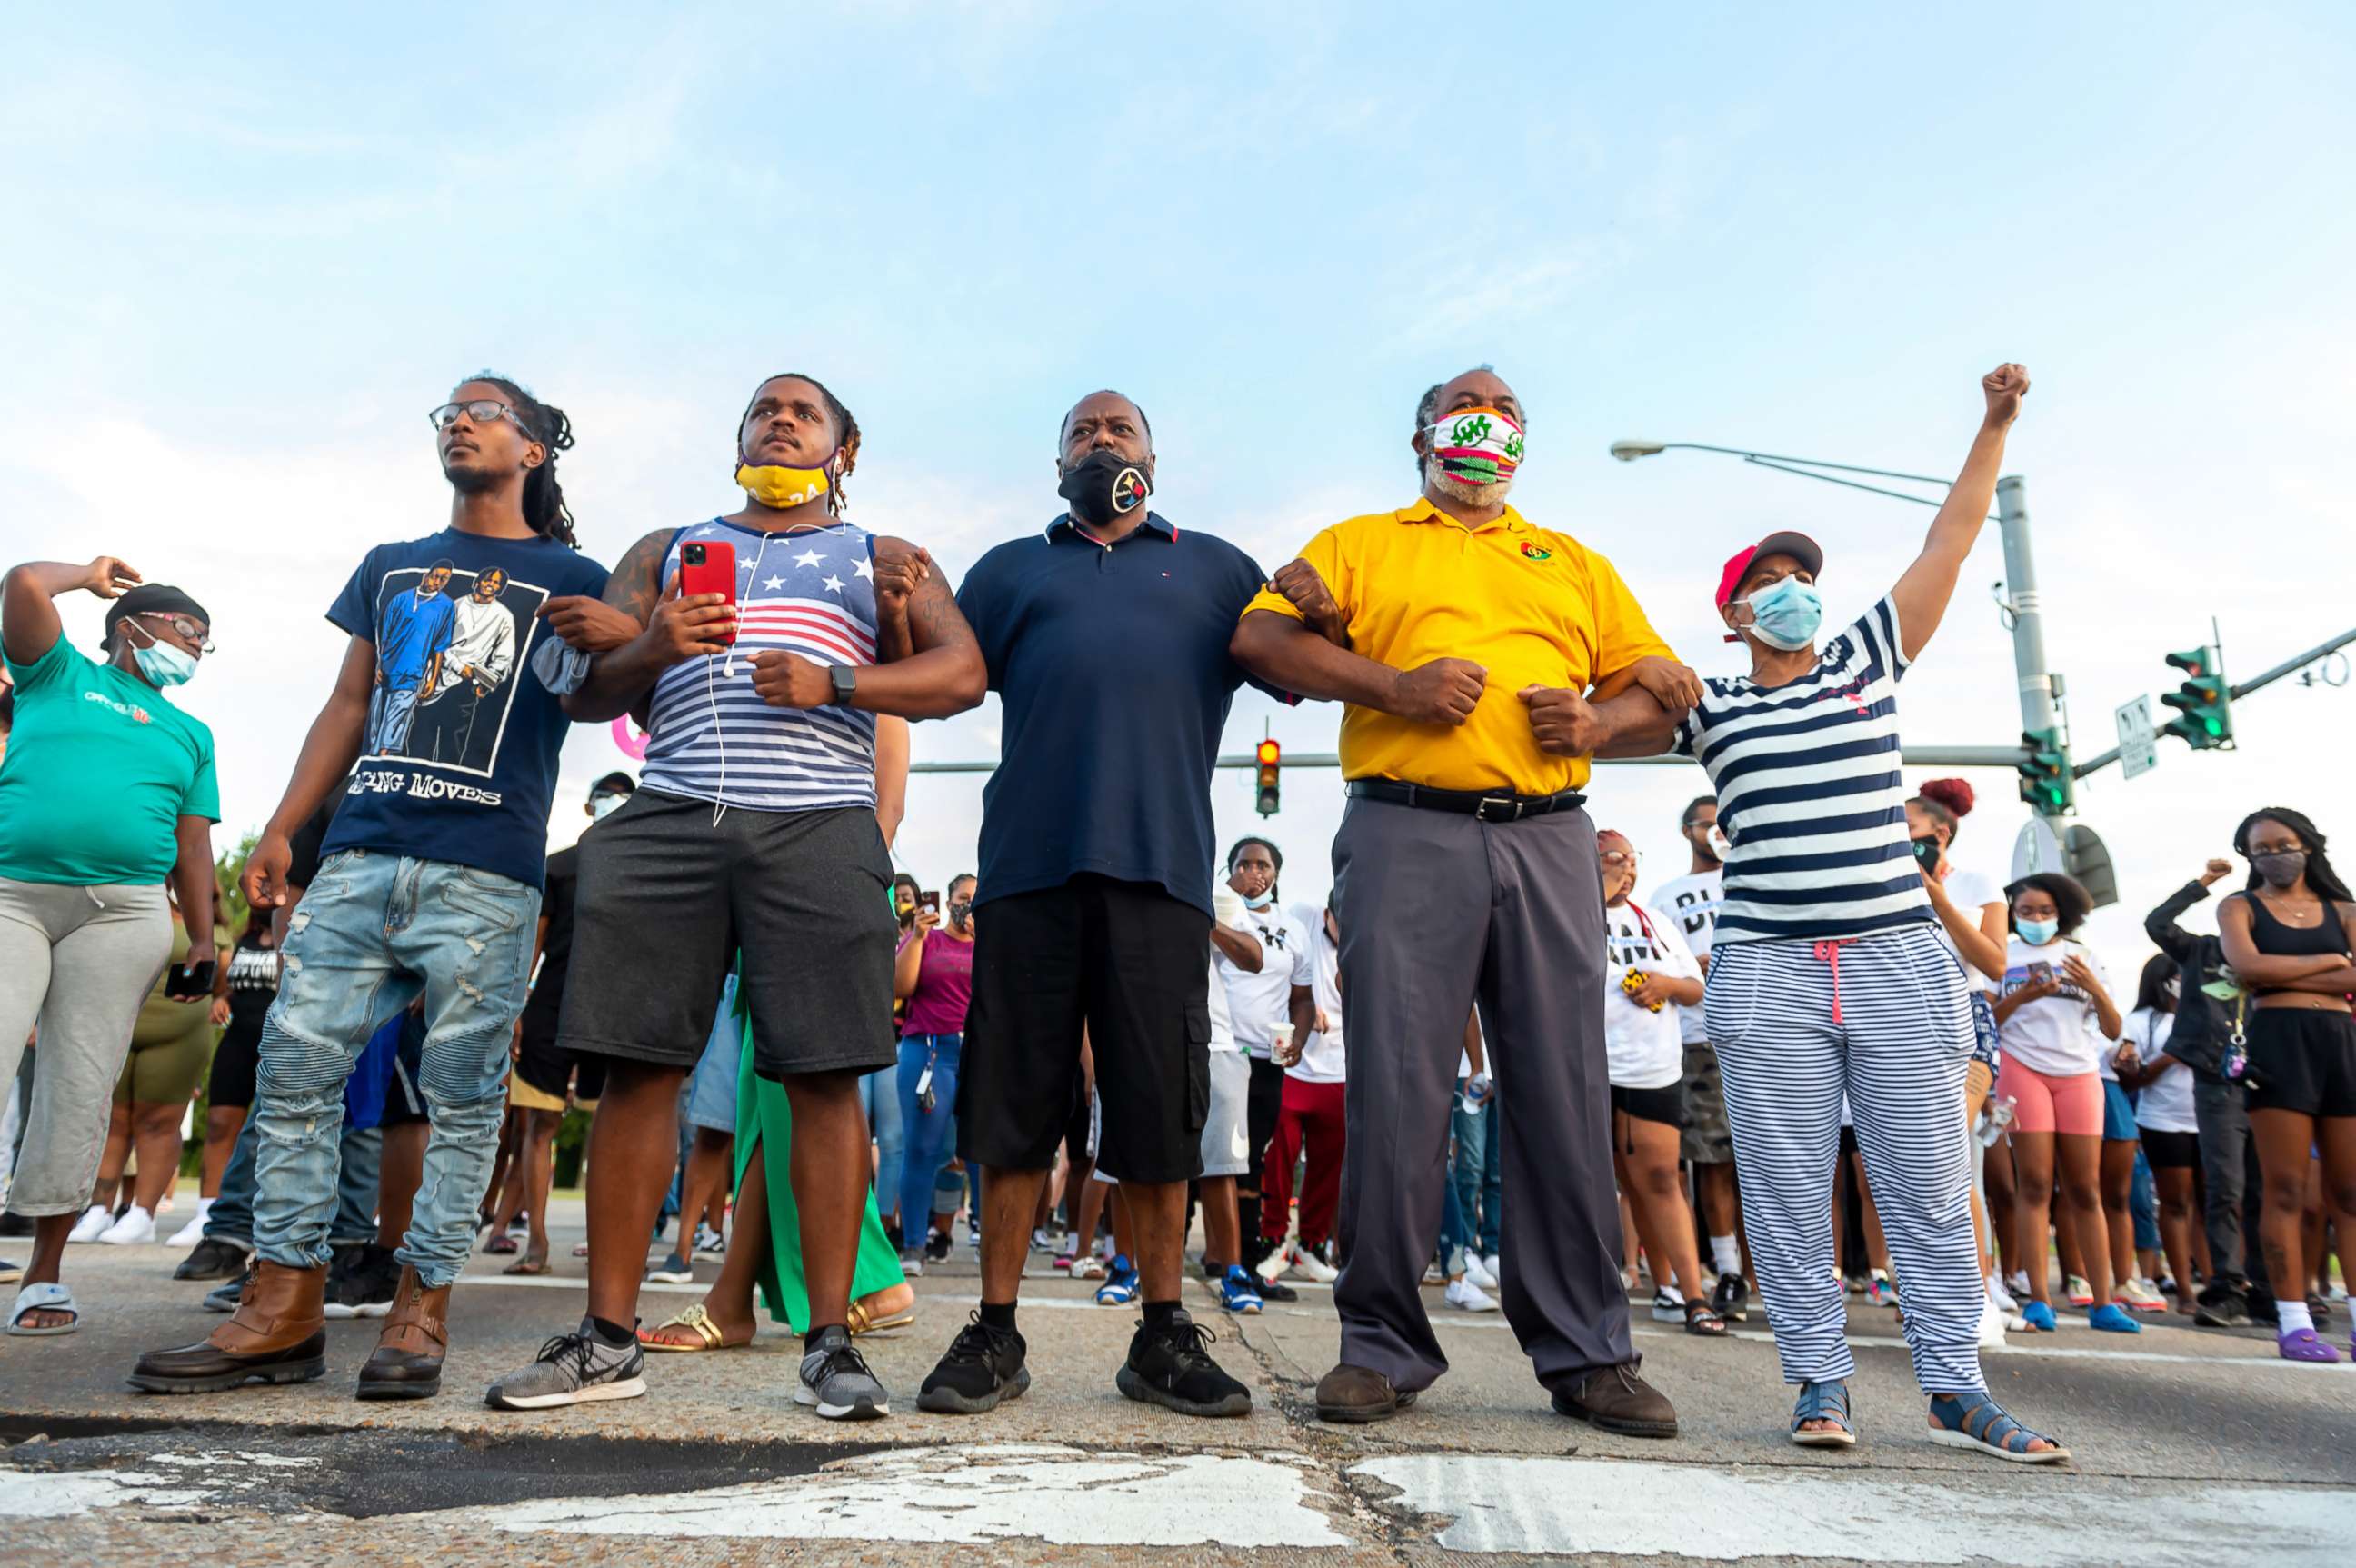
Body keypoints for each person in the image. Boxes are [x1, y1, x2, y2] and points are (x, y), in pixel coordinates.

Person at [484, 372, 983, 1419]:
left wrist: (834, 680)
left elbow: (961, 677)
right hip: (671, 813)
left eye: (806, 411)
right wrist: (656, 642)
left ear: (845, 449)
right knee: (638, 1067)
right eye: (765, 407)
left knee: (825, 1078)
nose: (782, 417)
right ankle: (609, 1339)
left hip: (818, 825)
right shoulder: (666, 548)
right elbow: (580, 694)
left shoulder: (879, 557)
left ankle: (832, 1343)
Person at [129, 374, 630, 1395]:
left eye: (484, 411)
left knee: (461, 1095)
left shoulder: (573, 573)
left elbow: (595, 705)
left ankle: (421, 1308)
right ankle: (282, 1305)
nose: (459, 421)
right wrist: (279, 831)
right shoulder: (392, 566)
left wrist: (636, 640)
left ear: (534, 449)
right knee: (293, 1075)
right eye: (449, 410)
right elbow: (349, 703)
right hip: (357, 856)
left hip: (487, 873)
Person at [1610, 365, 2067, 1459]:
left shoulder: (1865, 661)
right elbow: (1586, 726)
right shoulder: (1708, 705)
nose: (1791, 590)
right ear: (1734, 615)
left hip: (1897, 962)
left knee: (1924, 1178)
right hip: (1766, 969)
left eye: (1800, 576)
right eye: (1768, 580)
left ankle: (1956, 1384)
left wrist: (1993, 425)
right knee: (1783, 1181)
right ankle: (1821, 1383)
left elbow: (1950, 543)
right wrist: (1632, 679)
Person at [1232, 365, 1697, 1433]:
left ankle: (1589, 1354)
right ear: (1422, 436)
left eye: (1507, 411)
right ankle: (1383, 1348)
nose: (1484, 422)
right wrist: (1396, 687)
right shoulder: (1362, 541)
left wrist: (1596, 727)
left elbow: (1653, 696)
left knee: (1566, 1093)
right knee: (1398, 1089)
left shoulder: (1573, 562)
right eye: (1463, 408)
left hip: (1549, 837)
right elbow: (1259, 642)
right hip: (1406, 828)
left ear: (1525, 442)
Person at [918, 389, 1275, 1421]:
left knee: (1160, 1108)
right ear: (1057, 462)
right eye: (1082, 431)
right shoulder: (1008, 570)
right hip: (1028, 871)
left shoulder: (1216, 567)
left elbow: (1296, 657)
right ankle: (994, 1329)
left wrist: (1326, 604)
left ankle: (1162, 1332)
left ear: (1153, 461)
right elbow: (941, 670)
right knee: (1014, 1109)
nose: (1100, 441)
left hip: (1162, 875)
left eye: (1119, 430)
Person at [1, 563, 219, 1336]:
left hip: (124, 914)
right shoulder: (54, 673)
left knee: (80, 1084)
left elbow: (192, 848)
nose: (194, 647)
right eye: (184, 630)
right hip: (14, 895)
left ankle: (43, 1275)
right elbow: (23, 583)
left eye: (204, 640)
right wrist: (86, 576)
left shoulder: (191, 734)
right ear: (131, 625)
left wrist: (201, 937)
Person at [2213, 807, 2356, 1362]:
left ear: (2310, 847)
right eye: (2263, 849)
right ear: (2249, 856)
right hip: (2278, 1043)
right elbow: (2248, 968)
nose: (2275, 856)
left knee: (2348, 1192)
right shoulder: (2239, 907)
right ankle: (2294, 1322)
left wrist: (2283, 967)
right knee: (2286, 1189)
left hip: (2339, 1042)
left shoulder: (2344, 910)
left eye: (2285, 844)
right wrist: (2329, 960)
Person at [489, 772, 631, 1275]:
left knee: (608, 1125)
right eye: (607, 798)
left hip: (612, 1010)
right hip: (552, 1005)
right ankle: (538, 1243)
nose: (614, 805)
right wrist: (515, 1008)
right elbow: (533, 945)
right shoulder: (560, 867)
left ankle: (604, 1241)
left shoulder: (639, 869)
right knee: (540, 1124)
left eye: (622, 798)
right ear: (590, 808)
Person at [1995, 872, 2138, 1334]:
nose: (2036, 919)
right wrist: (2026, 995)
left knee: (2086, 1188)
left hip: (2079, 1073)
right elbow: (1987, 1021)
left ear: (2062, 912)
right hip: (2023, 1068)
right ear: (2012, 913)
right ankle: (2038, 1298)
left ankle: (2103, 1301)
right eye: (2026, 911)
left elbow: (2114, 1029)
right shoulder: (2003, 955)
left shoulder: (2085, 957)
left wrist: (2093, 988)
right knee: (2034, 1184)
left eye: (2045, 911)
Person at [1599, 831, 1724, 1337]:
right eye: (1614, 859)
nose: (1627, 870)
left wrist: (1666, 985)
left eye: (1633, 860)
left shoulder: (1656, 923)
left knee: (1659, 1180)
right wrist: (1593, 896)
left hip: (1652, 1069)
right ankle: (1640, 1285)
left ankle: (1692, 1295)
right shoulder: (1568, 910)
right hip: (1589, 1068)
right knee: (1610, 1185)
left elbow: (1693, 988)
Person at [2145, 856, 2274, 1327]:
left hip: (2271, 1081)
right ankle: (2226, 1287)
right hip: (2216, 1081)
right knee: (2225, 1187)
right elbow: (2157, 923)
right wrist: (2203, 883)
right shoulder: (2201, 952)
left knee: (2268, 1190)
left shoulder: (2279, 959)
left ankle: (2267, 1290)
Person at [1906, 780, 2011, 1342]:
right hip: (1898, 1016)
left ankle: (1979, 1296)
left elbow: (1994, 962)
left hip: (1962, 1016)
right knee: (1909, 1163)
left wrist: (1938, 898)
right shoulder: (1878, 882)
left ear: (1939, 832)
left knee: (1950, 1152)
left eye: (1907, 827)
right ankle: (1929, 1289)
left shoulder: (1977, 884)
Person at [69, 889, 224, 1246]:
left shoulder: (203, 918)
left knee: (156, 1122)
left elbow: (222, 981)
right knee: (113, 1121)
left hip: (177, 1033)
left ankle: (143, 1213)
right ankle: (98, 1210)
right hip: (121, 1026)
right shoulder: (126, 898)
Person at [1647, 794, 1743, 1320]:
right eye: (1709, 826)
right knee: (1710, 1159)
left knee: (1766, 1162)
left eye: (1724, 826)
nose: (1719, 834)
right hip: (1699, 1037)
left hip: (1765, 1034)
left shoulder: (1755, 877)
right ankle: (1725, 1269)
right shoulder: (1669, 895)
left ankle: (1768, 1273)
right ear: (1688, 832)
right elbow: (1659, 967)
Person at [1214, 838, 1311, 1296]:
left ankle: (1245, 1263)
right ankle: (1209, 1255)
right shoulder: (1222, 911)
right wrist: (1229, 891)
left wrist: (1300, 1039)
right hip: (1220, 1052)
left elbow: (1303, 997)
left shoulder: (1293, 930)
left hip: (1266, 1059)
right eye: (1244, 864)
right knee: (1211, 1158)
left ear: (1277, 872)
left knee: (1252, 1162)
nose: (1255, 871)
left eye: (1263, 864)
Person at [170, 905, 281, 1251]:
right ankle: (208, 1212)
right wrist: (222, 999)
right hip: (237, 1042)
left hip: (275, 1040)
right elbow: (234, 985)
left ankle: (262, 1213)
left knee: (265, 1130)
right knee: (219, 1125)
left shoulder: (292, 933)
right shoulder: (244, 940)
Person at [895, 874, 976, 1270]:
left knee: (978, 1153)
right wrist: (917, 938)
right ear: (948, 901)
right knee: (922, 1148)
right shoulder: (928, 940)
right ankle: (913, 1244)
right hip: (928, 1050)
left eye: (976, 899)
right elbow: (902, 985)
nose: (969, 905)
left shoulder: (989, 946)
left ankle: (989, 1240)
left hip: (975, 1053)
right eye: (963, 897)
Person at [1268, 896, 1348, 1293]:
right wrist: (1307, 1007)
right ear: (1326, 915)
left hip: (1339, 1069)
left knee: (1327, 1167)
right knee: (1279, 1156)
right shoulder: (1303, 917)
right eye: (1339, 919)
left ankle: (1311, 1248)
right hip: (1295, 1067)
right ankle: (1273, 1242)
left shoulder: (1365, 940)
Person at [2119, 954, 2202, 1313]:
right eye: (2180, 975)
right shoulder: (2139, 1021)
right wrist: (2171, 1055)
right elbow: (2131, 1076)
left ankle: (2218, 1285)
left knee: (2213, 1204)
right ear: (2163, 980)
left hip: (2210, 1121)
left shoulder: (2204, 1015)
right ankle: (2184, 1290)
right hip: (2163, 1122)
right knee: (2176, 1203)